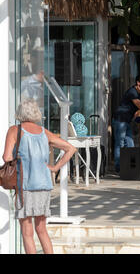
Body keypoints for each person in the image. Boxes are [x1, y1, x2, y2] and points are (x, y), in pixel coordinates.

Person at [2, 99, 76, 254]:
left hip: (26, 186)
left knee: (27, 231)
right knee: (41, 229)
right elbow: (70, 148)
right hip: (44, 185)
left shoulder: (15, 130)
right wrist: (55, 167)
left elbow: (6, 157)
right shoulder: (44, 132)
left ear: (20, 113)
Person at [112, 74, 140, 173]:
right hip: (120, 120)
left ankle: (130, 167)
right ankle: (118, 168)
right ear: (138, 83)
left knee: (130, 144)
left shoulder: (138, 93)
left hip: (127, 120)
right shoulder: (132, 92)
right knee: (120, 143)